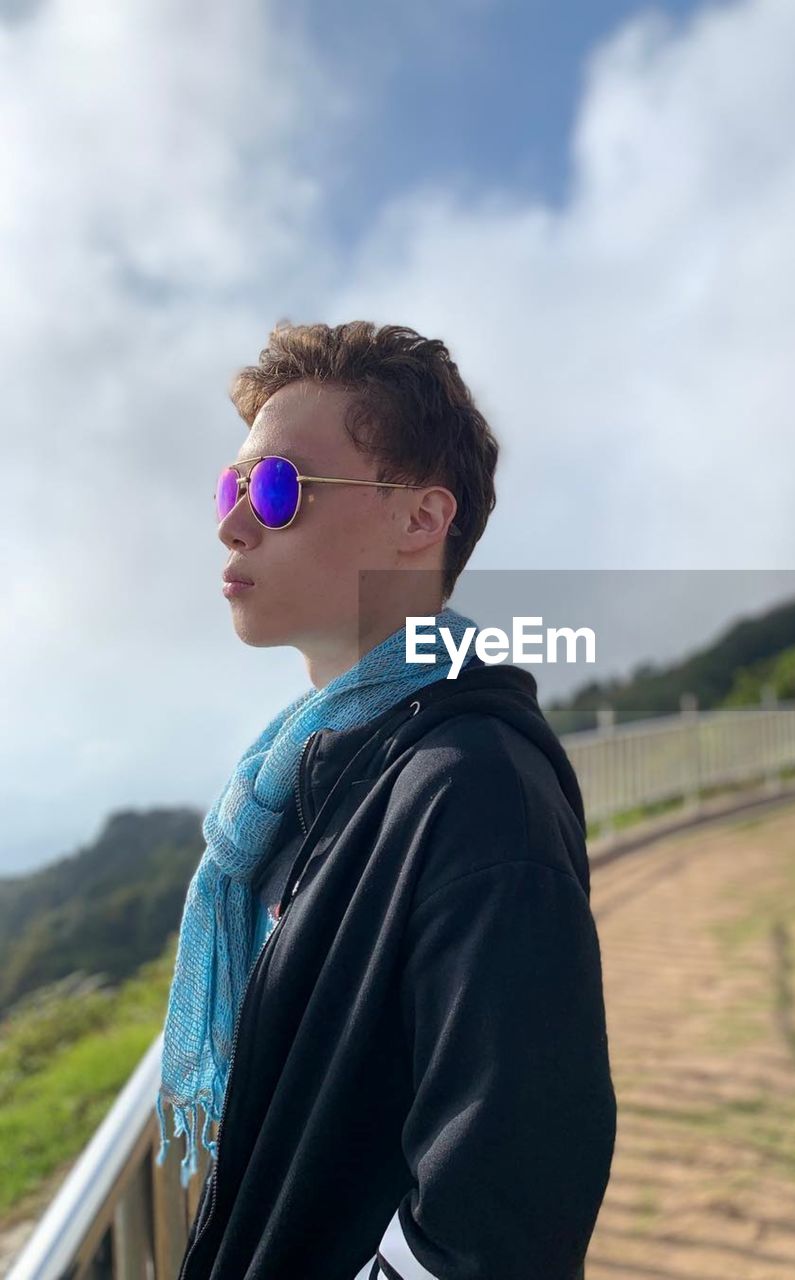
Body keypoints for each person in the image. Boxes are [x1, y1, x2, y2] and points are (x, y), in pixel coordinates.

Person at [155, 321, 617, 1280]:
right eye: (231, 488)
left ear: (420, 520)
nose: (232, 521)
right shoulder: (317, 773)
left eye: (277, 489)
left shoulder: (473, 788)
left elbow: (500, 1222)